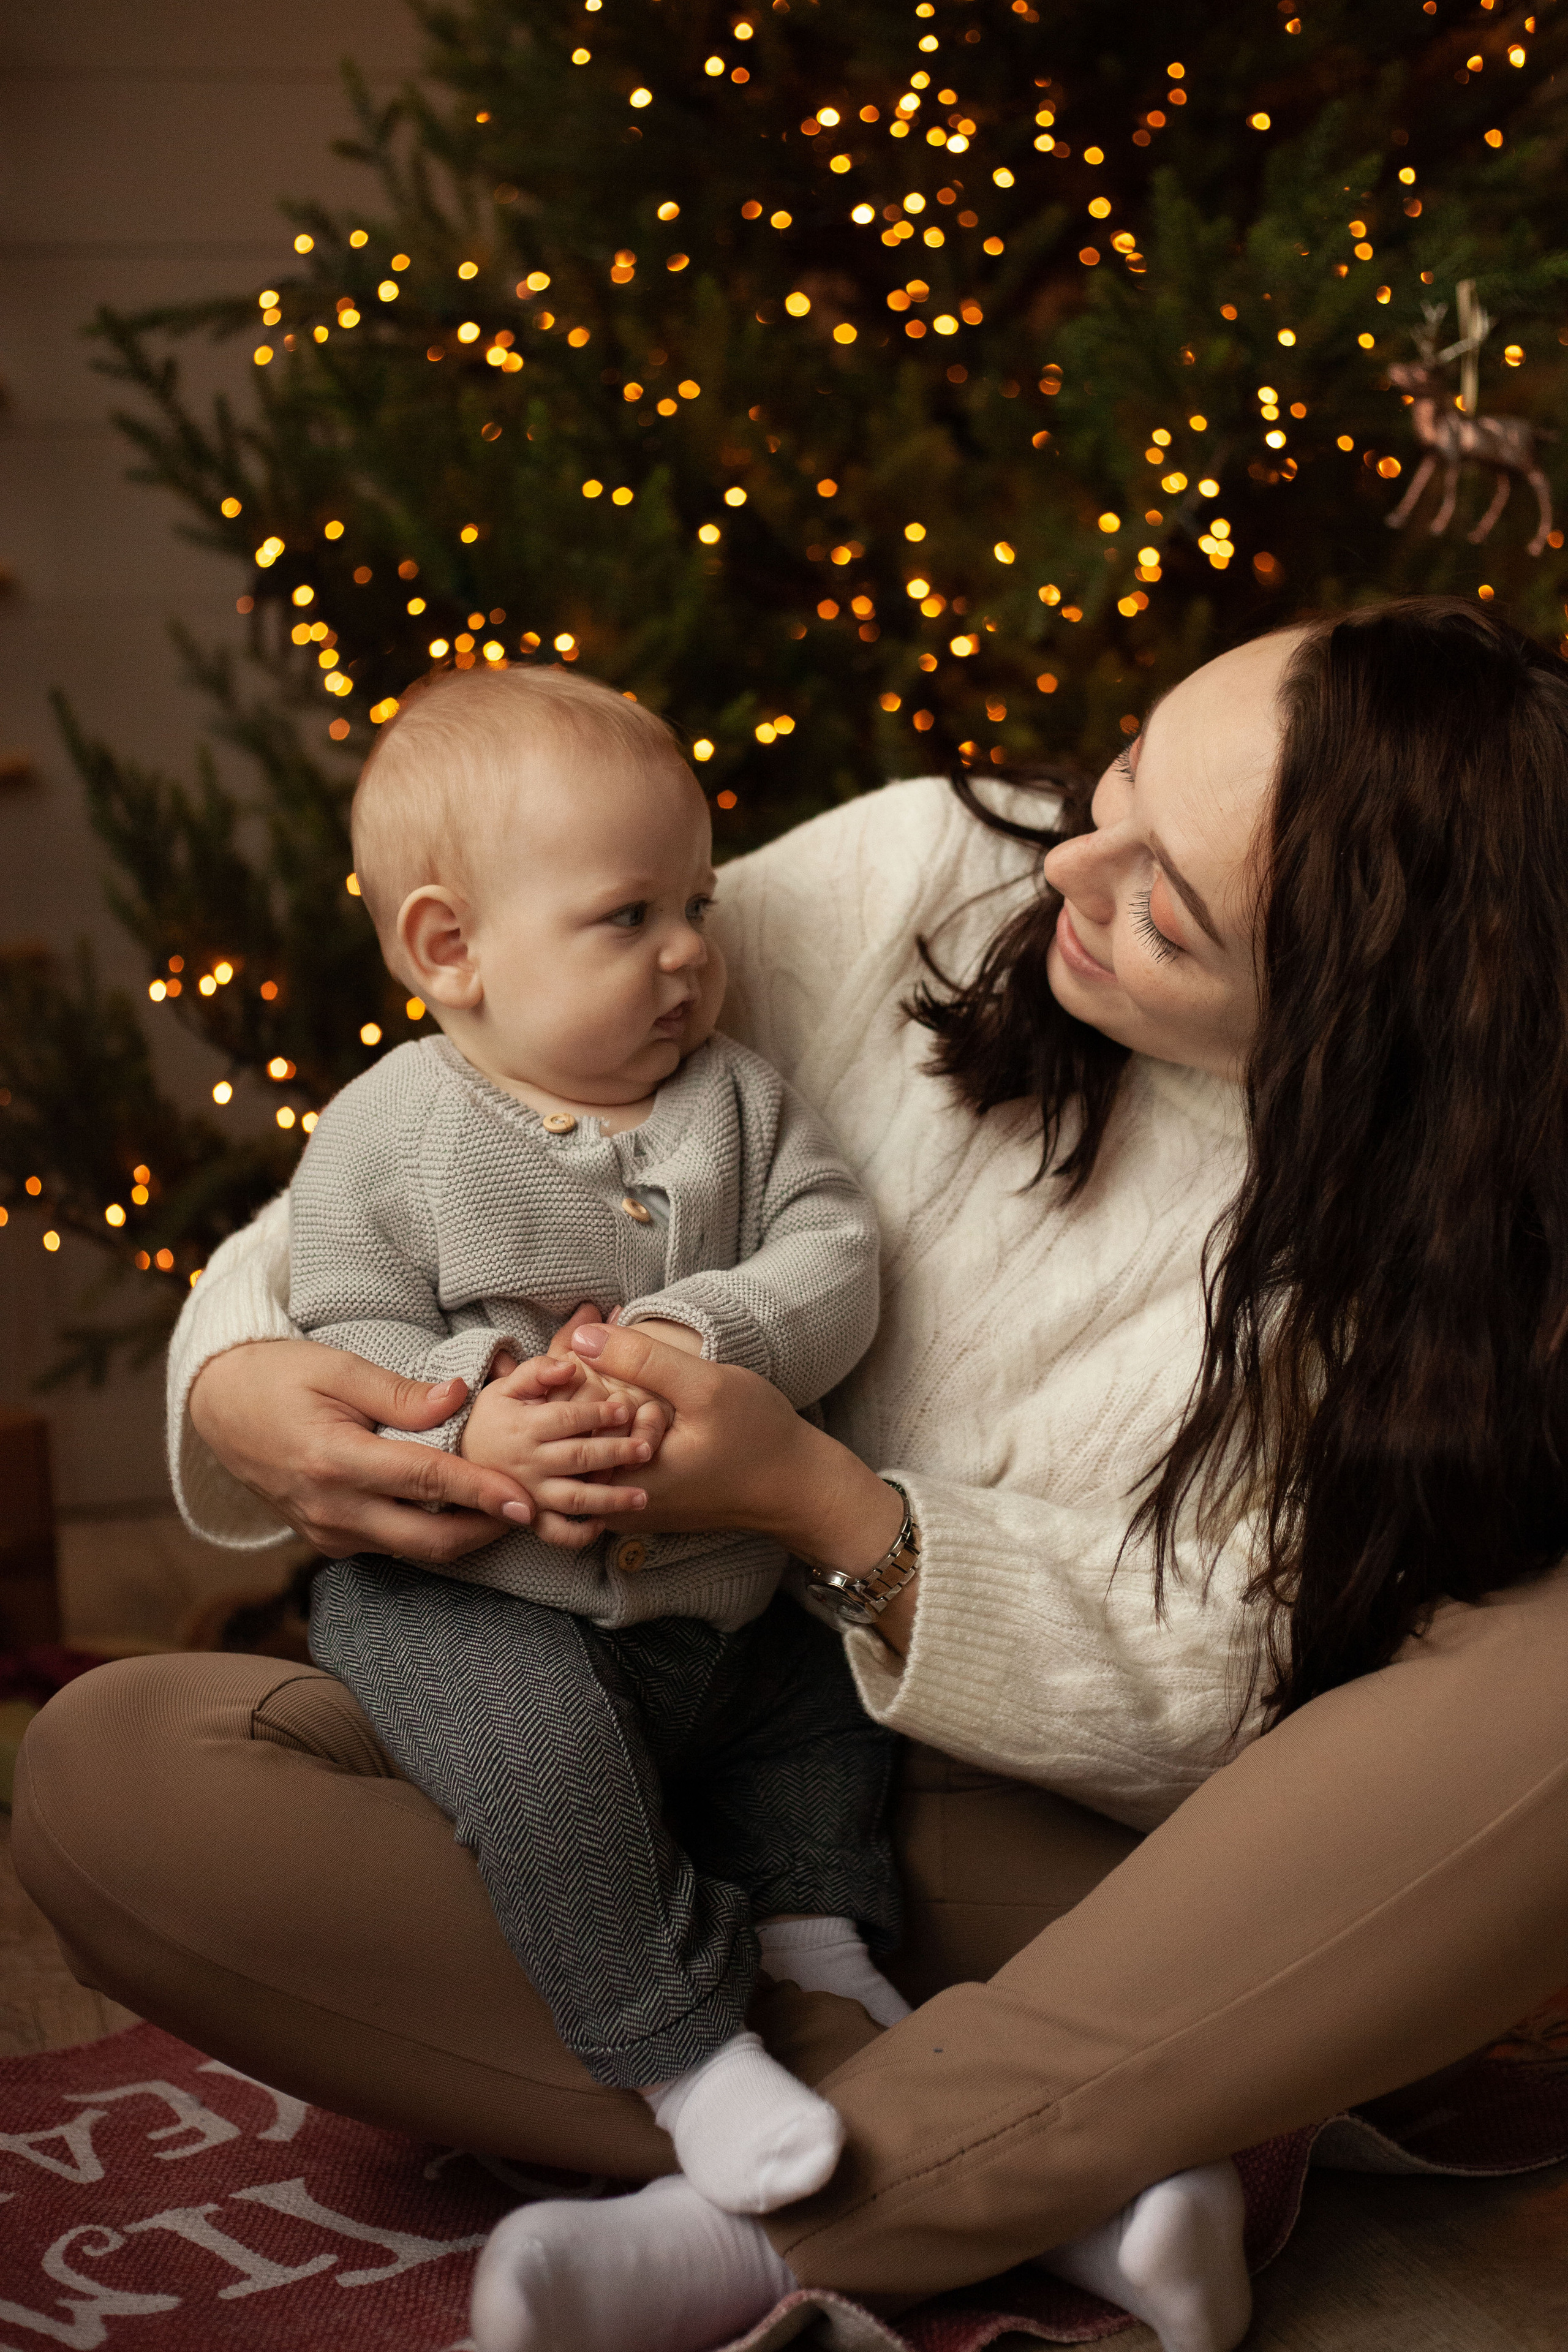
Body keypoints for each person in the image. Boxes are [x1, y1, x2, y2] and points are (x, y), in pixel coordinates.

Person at [17, 600, 1568, 2352]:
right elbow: (460, 1106)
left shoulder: (1431, 1261)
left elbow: (1242, 1708)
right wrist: (248, 1386)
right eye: (1123, 774)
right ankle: (1050, 2160)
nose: (1072, 869)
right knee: (115, 1776)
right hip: (611, 1720)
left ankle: (785, 2220)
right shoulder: (916, 871)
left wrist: (829, 1512)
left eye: (1164, 905)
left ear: (1355, 1014)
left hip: (1046, 1855)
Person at [287, 664, 905, 2218]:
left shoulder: (739, 1106)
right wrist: (466, 1397)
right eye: (629, 917)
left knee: (821, 1713)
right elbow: (338, 1326)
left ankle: (820, 1949)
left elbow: (838, 1249)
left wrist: (716, 1332)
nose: (692, 952)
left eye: (695, 902)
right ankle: (680, 2050)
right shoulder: (388, 1130)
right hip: (479, 1594)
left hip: (725, 1588)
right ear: (451, 949)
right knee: (546, 1759)